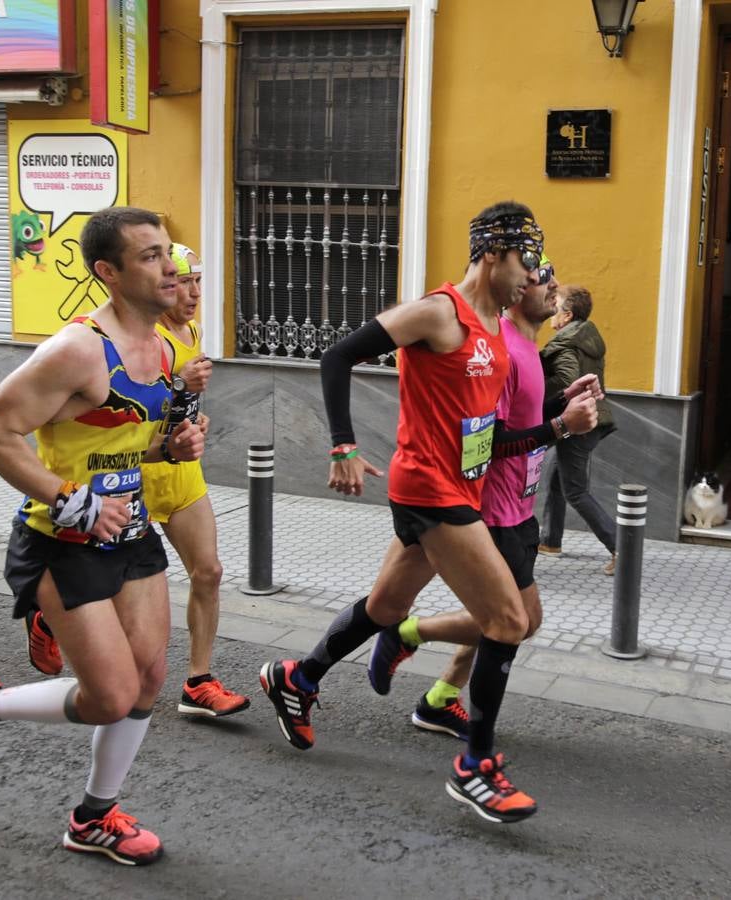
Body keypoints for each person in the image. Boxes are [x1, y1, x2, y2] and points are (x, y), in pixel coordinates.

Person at [259, 201, 575, 824]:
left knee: (385, 609)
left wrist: (557, 420)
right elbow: (337, 356)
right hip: (430, 490)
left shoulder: (494, 330)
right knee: (509, 621)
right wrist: (343, 444)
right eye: (525, 260)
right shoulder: (440, 312)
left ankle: (296, 678)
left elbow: (483, 431)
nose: (531, 275)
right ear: (491, 254)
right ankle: (475, 768)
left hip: (459, 488)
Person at [0, 206, 205, 866]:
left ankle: (93, 818)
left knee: (149, 677)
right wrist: (68, 500)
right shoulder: (77, 349)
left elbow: (124, 441)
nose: (170, 266)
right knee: (108, 696)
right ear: (109, 272)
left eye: (169, 252)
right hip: (61, 538)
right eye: (151, 257)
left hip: (128, 530)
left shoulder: (162, 348)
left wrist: (173, 446)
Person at [361, 255, 599, 740]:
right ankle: (473, 752)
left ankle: (439, 697)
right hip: (487, 506)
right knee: (514, 620)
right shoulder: (502, 346)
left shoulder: (530, 347)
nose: (551, 285)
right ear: (514, 289)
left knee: (504, 618)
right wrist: (560, 425)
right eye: (540, 276)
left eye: (552, 275)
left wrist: (561, 402)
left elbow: (522, 416)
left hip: (517, 503)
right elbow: (486, 439)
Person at [25, 244, 248, 719]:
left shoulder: (191, 333)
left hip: (178, 473)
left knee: (208, 572)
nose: (189, 293)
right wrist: (178, 387)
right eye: (180, 280)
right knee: (111, 599)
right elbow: (120, 410)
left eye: (195, 281)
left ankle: (198, 681)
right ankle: (54, 612)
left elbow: (172, 415)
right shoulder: (110, 342)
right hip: (128, 478)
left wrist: (192, 420)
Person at [536, 285, 619, 575]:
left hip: (578, 421)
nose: (551, 311)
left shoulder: (567, 343)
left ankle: (622, 548)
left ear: (567, 314)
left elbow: (566, 380)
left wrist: (538, 393)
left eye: (555, 305)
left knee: (575, 490)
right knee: (557, 479)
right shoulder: (586, 336)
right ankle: (550, 541)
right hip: (591, 417)